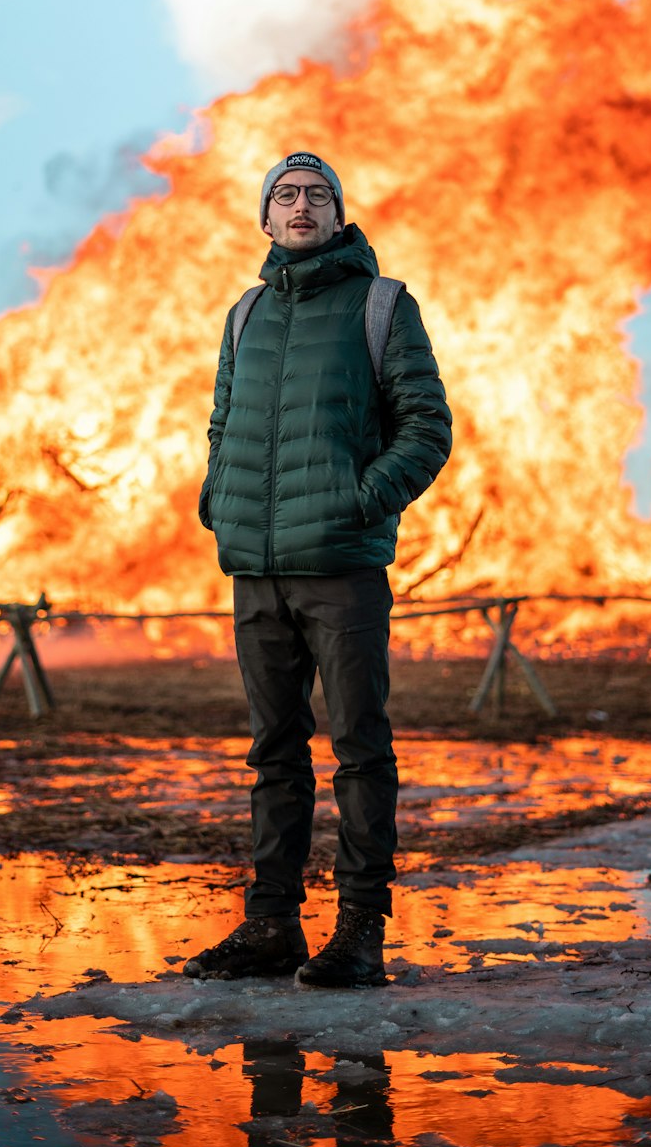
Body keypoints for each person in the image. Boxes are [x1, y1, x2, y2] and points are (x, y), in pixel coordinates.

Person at [186, 151, 452, 987]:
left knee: (359, 749)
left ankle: (360, 931)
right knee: (273, 751)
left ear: (339, 214)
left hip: (340, 567)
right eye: (285, 195)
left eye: (317, 195)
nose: (301, 206)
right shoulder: (245, 313)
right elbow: (221, 425)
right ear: (265, 219)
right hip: (256, 571)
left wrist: (360, 501)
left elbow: (427, 426)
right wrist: (217, 499)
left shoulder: (382, 305)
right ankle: (271, 925)